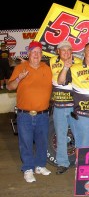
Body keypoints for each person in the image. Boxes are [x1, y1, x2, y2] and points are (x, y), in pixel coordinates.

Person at [7, 41, 52, 183]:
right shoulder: (20, 68)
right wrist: (19, 78)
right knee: (25, 142)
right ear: (28, 54)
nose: (36, 55)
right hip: (24, 114)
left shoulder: (47, 68)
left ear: (42, 55)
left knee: (42, 142)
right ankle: (28, 168)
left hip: (43, 114)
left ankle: (39, 166)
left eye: (39, 52)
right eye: (33, 52)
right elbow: (9, 87)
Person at [57, 41, 89, 151]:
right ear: (84, 53)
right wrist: (65, 68)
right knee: (82, 147)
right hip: (83, 116)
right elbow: (61, 81)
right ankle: (79, 168)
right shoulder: (75, 68)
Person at [49, 40, 82, 175]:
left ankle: (81, 162)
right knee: (61, 135)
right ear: (58, 51)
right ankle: (62, 163)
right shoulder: (51, 61)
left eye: (69, 50)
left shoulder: (79, 61)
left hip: (75, 105)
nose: (66, 53)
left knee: (79, 135)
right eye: (63, 50)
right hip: (59, 105)